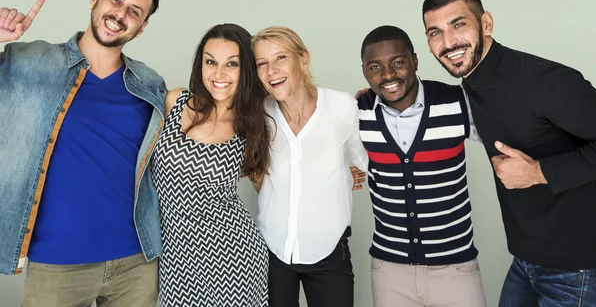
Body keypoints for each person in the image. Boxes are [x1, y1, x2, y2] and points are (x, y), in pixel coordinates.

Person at [422, 0, 596, 307]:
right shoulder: (470, 92)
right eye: (435, 33)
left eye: (458, 25)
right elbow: (426, 102)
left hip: (577, 267)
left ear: (486, 24)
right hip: (525, 261)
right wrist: (374, 98)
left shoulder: (548, 82)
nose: (448, 43)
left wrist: (538, 172)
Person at [0, 0, 166, 307]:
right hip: (57, 262)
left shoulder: (149, 83)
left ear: (142, 26)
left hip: (136, 263)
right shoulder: (29, 61)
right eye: (115, 0)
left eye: (135, 11)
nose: (120, 15)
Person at [358, 25, 486, 307]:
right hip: (390, 271)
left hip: (456, 268)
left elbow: (514, 135)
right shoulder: (358, 113)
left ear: (415, 61)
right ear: (365, 72)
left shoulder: (456, 102)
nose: (388, 75)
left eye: (398, 62)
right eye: (375, 66)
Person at [152, 23, 270, 307]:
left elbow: (272, 190)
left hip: (234, 257)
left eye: (232, 64)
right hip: (175, 256)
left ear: (247, 70)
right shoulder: (175, 102)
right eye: (210, 62)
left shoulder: (251, 126)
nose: (219, 74)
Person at [252, 26, 368, 307]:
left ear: (302, 60)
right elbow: (252, 170)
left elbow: (366, 161)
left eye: (280, 58)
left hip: (330, 251)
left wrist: (379, 102)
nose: (271, 70)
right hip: (272, 252)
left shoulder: (343, 107)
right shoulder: (258, 114)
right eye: (262, 63)